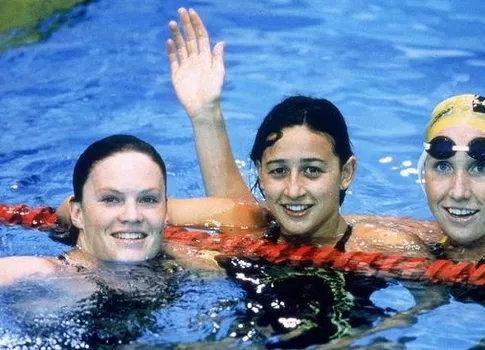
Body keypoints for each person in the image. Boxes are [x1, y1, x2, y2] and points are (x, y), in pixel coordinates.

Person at [166, 8, 440, 257]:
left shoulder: (385, 247)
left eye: (312, 170)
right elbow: (139, 208)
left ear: (346, 174)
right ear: (260, 173)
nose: (294, 190)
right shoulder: (253, 227)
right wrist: (205, 114)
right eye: (278, 171)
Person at [0, 134, 269, 286]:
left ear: (166, 213)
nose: (132, 215)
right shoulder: (39, 275)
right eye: (110, 199)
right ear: (78, 214)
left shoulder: (184, 270)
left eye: (148, 200)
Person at [418, 94, 485, 263]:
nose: (458, 192)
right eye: (443, 167)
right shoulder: (418, 244)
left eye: (480, 168)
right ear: (423, 174)